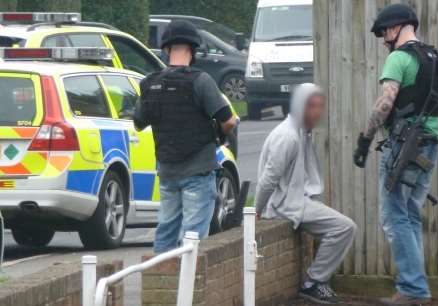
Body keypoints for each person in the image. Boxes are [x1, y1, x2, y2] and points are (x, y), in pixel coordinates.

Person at [353, 4, 438, 306]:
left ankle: (412, 288)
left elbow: (385, 104)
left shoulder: (399, 57)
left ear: (396, 27)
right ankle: (415, 287)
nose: (384, 40)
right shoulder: (433, 57)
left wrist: (364, 140)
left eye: (384, 33)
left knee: (394, 215)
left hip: (405, 145)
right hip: (429, 144)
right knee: (409, 213)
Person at [134, 20, 238, 253]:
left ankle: (164, 281)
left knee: (166, 230)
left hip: (168, 171)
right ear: (193, 49)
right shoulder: (200, 81)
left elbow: (139, 123)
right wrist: (221, 131)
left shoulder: (150, 84)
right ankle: (188, 285)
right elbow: (229, 120)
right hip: (198, 171)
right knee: (192, 237)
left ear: (167, 49)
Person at [255, 83, 357, 305]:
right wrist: (257, 210)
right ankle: (312, 283)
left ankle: (315, 280)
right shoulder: (288, 136)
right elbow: (269, 179)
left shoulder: (299, 131)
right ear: (300, 106)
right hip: (285, 205)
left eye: (320, 106)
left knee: (341, 226)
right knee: (344, 227)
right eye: (312, 106)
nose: (317, 112)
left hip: (296, 200)